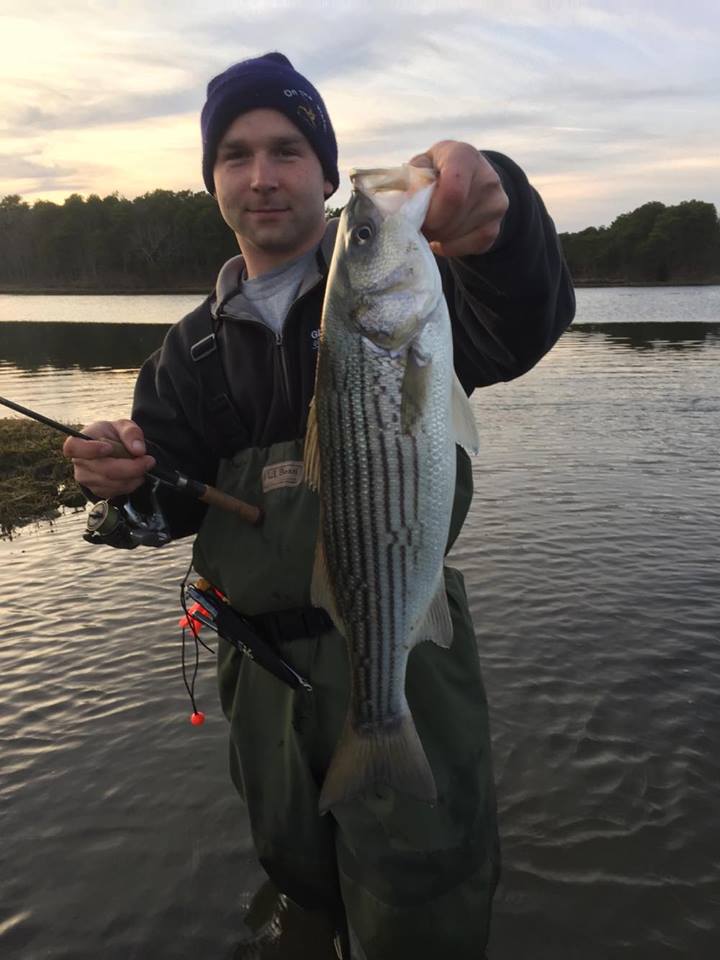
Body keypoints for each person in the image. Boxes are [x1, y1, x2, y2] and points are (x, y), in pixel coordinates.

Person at [64, 52, 575, 959]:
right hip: (258, 674)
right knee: (297, 873)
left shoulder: (424, 296)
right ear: (213, 179)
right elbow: (162, 514)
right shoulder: (188, 354)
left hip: (407, 642)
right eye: (235, 153)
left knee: (425, 894)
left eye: (288, 149)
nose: (260, 174)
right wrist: (121, 485)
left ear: (330, 174)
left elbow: (527, 312)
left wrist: (501, 212)